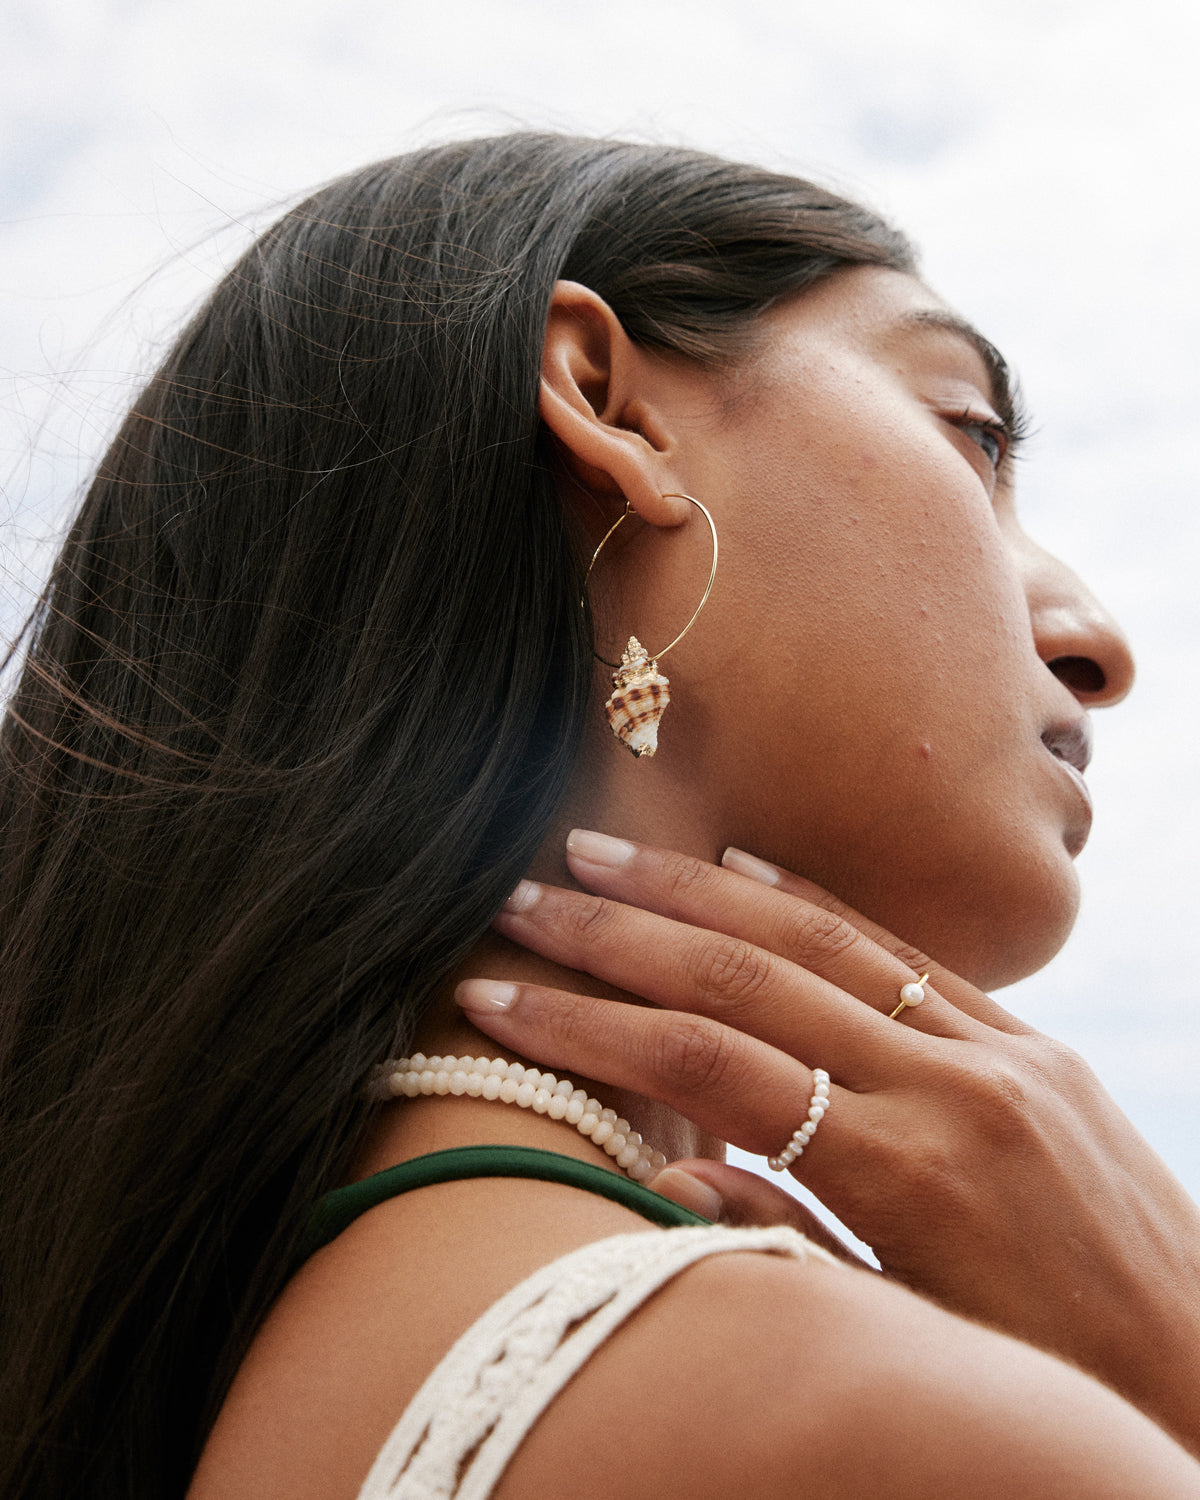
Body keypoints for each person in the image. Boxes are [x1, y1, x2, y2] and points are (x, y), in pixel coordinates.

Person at [2, 132, 1199, 1499]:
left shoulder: (248, 1379)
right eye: (969, 431)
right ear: (603, 404)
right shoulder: (869, 1430)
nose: (1095, 639)